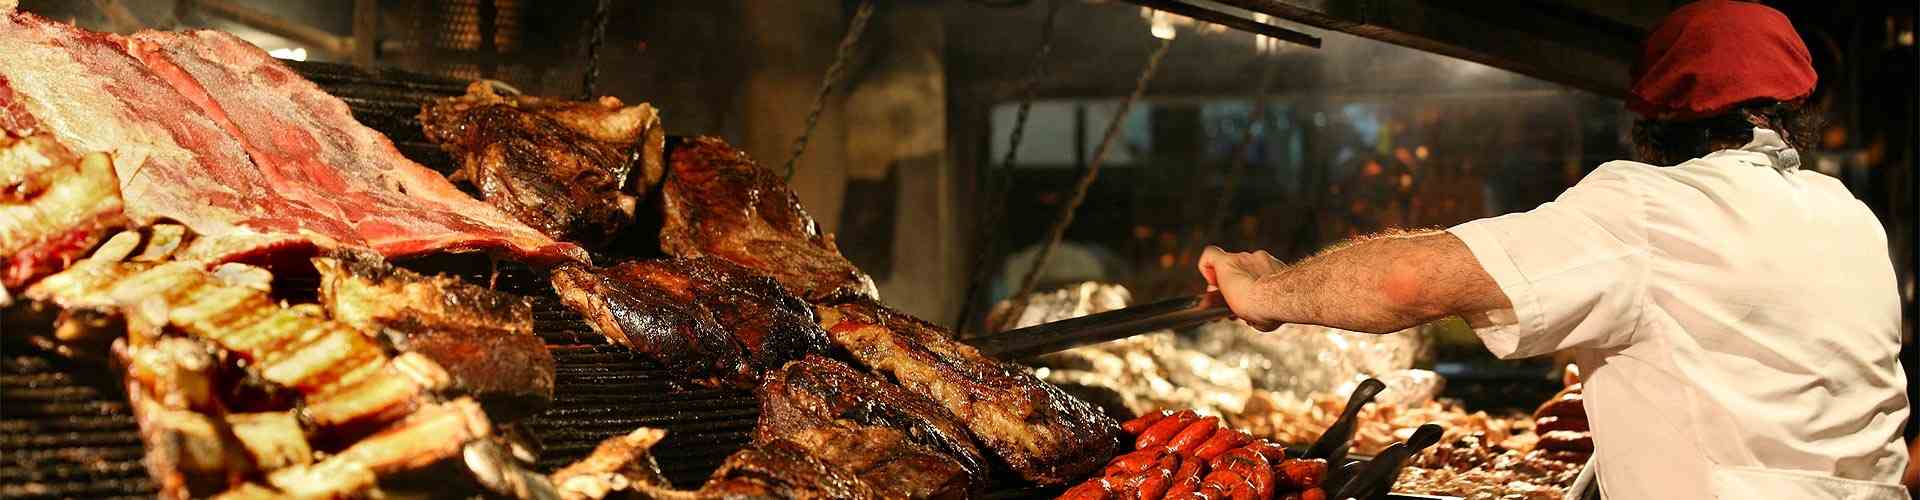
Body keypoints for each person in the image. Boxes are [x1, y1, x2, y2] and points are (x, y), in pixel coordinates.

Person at [1196, 1, 1908, 498]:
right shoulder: (1849, 218)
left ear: (1653, 122)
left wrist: (1263, 290)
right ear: (1795, 111)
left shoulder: (1650, 207)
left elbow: (1407, 283)